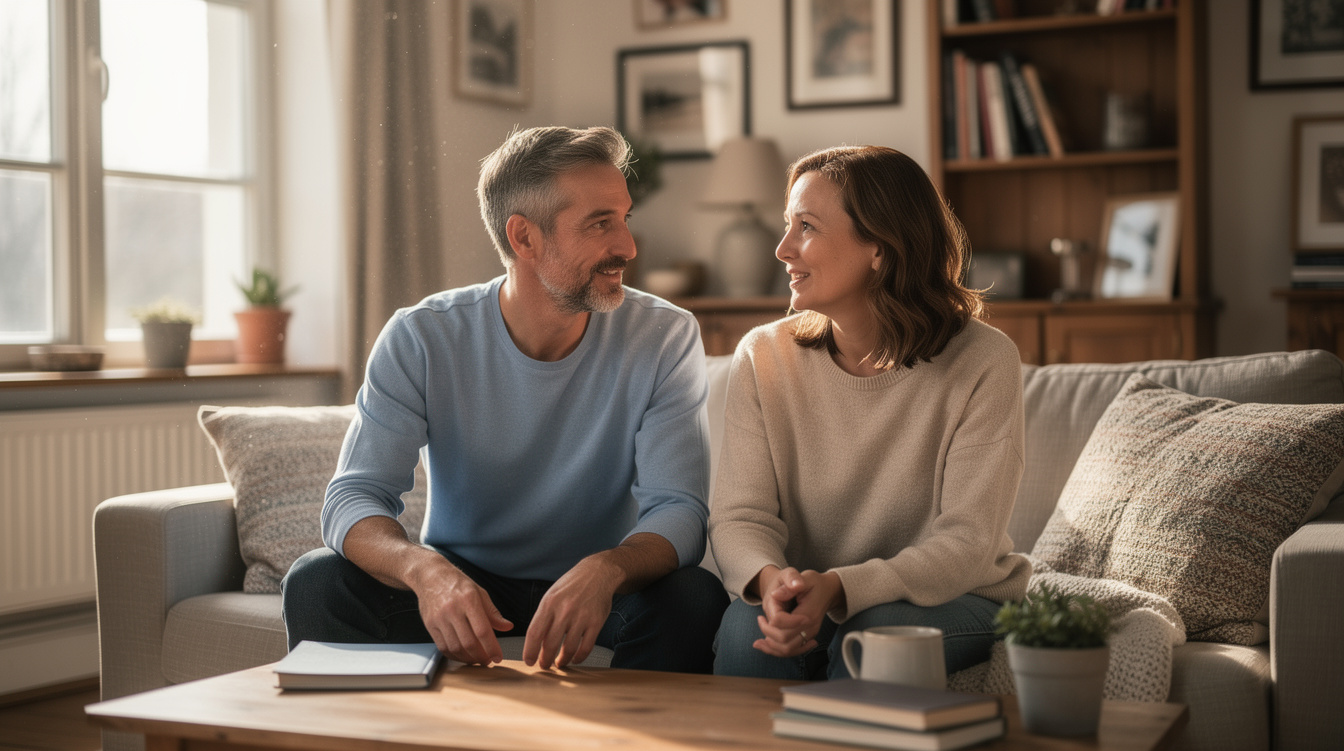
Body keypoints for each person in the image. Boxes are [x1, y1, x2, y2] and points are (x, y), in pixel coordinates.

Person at [282, 126, 726, 673]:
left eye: (624, 218)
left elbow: (679, 509)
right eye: (600, 223)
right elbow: (353, 497)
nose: (627, 247)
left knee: (694, 598)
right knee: (316, 583)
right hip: (466, 579)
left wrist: (608, 569)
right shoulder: (422, 336)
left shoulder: (665, 334)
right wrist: (424, 571)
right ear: (524, 238)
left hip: (603, 585)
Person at [708, 145, 1032, 681]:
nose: (782, 249)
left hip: (956, 596)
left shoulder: (983, 360)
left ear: (879, 248)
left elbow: (967, 543)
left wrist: (838, 588)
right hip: (809, 591)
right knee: (749, 633)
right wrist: (773, 585)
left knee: (872, 637)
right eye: (787, 225)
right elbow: (742, 516)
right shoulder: (764, 355)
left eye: (806, 226)